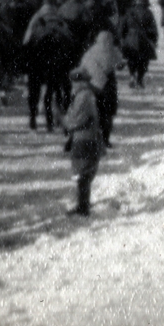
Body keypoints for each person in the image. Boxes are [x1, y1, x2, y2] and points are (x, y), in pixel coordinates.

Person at [61, 67, 104, 217]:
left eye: (74, 81)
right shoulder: (85, 94)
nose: (72, 84)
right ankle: (83, 204)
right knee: (83, 172)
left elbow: (76, 119)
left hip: (84, 138)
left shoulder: (83, 96)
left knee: (83, 173)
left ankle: (83, 207)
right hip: (86, 137)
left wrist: (64, 120)